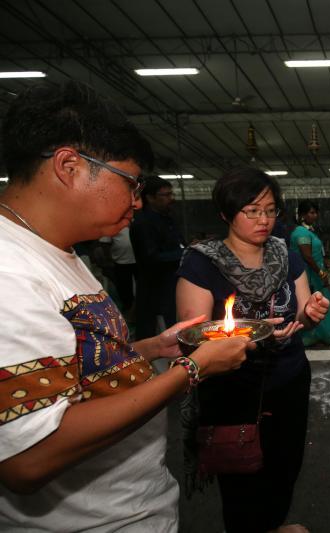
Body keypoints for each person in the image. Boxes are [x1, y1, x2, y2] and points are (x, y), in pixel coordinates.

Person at [0, 81, 249, 531]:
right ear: (69, 166)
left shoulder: (58, 251)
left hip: (127, 507)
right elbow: (28, 458)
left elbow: (73, 369)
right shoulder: (9, 271)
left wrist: (151, 349)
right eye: (130, 184)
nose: (137, 201)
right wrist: (194, 370)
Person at [176, 168, 329, 533]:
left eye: (271, 210)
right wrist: (250, 340)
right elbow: (189, 337)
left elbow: (302, 316)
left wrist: (310, 314)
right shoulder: (202, 262)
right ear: (227, 214)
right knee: (241, 474)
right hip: (233, 386)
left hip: (288, 377)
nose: (264, 220)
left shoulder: (286, 255)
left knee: (285, 465)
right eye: (252, 210)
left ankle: (273, 526)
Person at [130, 175, 184, 339]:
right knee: (155, 331)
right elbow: (151, 257)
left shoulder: (168, 218)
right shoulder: (143, 222)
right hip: (154, 286)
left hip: (171, 283)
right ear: (150, 198)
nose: (170, 199)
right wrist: (184, 253)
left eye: (170, 194)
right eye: (165, 195)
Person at [290, 200, 330, 347]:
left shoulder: (308, 230)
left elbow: (315, 252)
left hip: (314, 271)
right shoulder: (301, 232)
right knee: (315, 302)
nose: (315, 216)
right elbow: (307, 256)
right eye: (311, 213)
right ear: (302, 215)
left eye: (316, 212)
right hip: (310, 275)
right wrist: (321, 273)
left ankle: (317, 332)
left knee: (318, 302)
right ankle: (316, 334)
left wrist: (324, 264)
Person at [99, 226, 137, 315]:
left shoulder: (135, 221)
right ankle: (128, 310)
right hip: (120, 262)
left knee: (139, 288)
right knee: (124, 288)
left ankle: (135, 311)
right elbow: (105, 243)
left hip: (138, 261)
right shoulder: (112, 223)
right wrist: (109, 260)